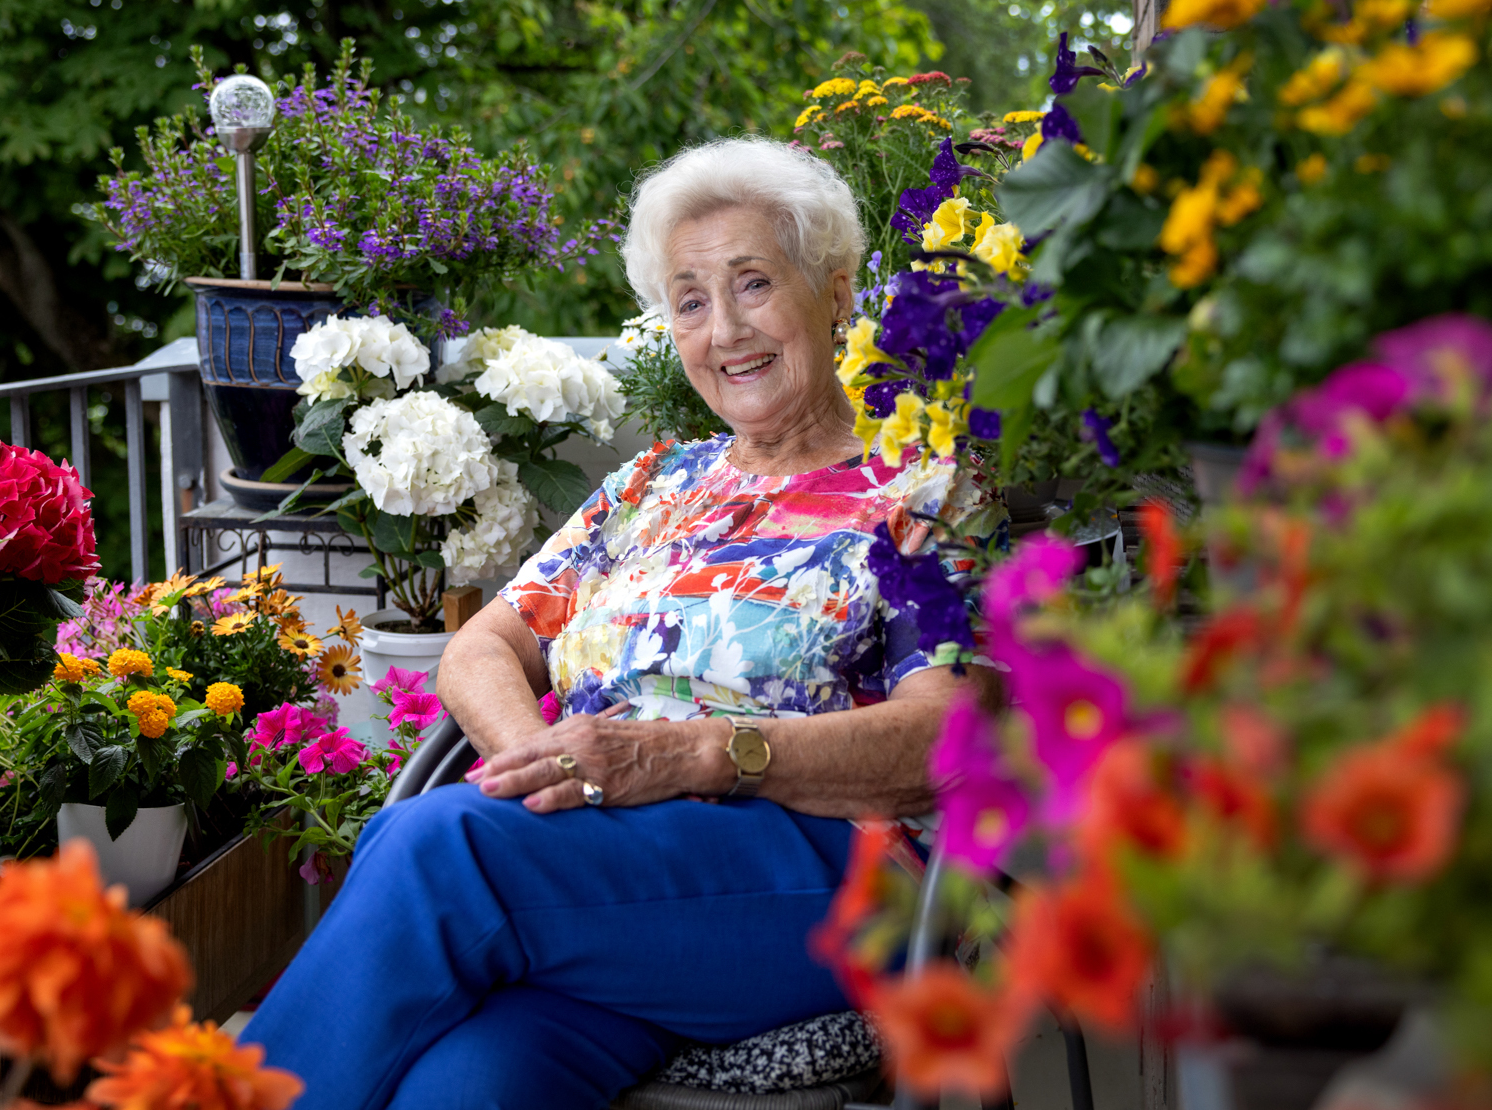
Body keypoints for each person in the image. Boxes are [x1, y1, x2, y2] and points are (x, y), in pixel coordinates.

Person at [244, 137, 1004, 1109]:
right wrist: (547, 767)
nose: (724, 328)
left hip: (820, 879)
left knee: (437, 847)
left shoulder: (921, 486)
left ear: (836, 291)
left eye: (753, 282)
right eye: (689, 300)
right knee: (465, 1084)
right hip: (600, 884)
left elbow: (945, 735)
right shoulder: (653, 485)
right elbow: (484, 644)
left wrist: (705, 755)